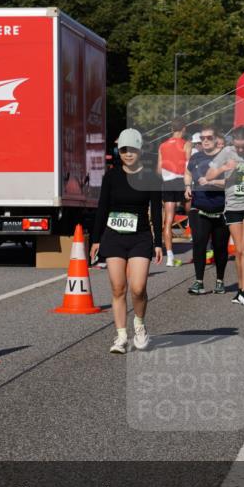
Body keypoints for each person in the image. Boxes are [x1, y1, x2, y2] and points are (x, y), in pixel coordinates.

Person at [90, 128, 164, 354]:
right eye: (123, 150)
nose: (128, 154)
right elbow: (102, 208)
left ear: (140, 150)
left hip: (140, 237)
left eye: (132, 149)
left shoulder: (151, 176)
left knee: (138, 287)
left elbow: (156, 212)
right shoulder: (111, 176)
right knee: (117, 287)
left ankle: (139, 325)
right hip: (113, 236)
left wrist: (159, 242)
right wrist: (95, 239)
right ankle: (121, 336)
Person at [205, 125, 244, 307]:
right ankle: (240, 290)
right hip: (233, 205)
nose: (240, 150)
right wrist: (225, 167)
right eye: (237, 146)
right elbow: (209, 175)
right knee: (240, 249)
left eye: (243, 146)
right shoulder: (226, 152)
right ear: (233, 142)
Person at [184, 127, 228, 295]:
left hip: (221, 208)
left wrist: (212, 181)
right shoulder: (196, 157)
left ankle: (220, 281)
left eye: (209, 137)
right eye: (202, 138)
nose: (205, 141)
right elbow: (188, 172)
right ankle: (199, 282)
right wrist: (188, 186)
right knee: (199, 243)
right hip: (199, 206)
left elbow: (231, 181)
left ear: (217, 139)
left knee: (220, 246)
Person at [156, 118, 191, 267]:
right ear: (183, 128)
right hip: (183, 181)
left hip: (168, 182)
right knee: (193, 216)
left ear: (171, 129)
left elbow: (158, 169)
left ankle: (170, 257)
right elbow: (188, 165)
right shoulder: (186, 144)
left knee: (168, 221)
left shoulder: (162, 146)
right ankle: (199, 251)